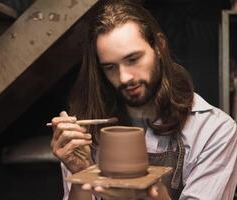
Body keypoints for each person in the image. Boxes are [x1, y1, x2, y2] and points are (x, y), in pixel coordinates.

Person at [50, 0, 237, 199]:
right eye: (110, 67)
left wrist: (154, 194)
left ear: (159, 46)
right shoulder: (86, 132)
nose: (124, 78)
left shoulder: (214, 132)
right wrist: (81, 173)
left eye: (133, 59)